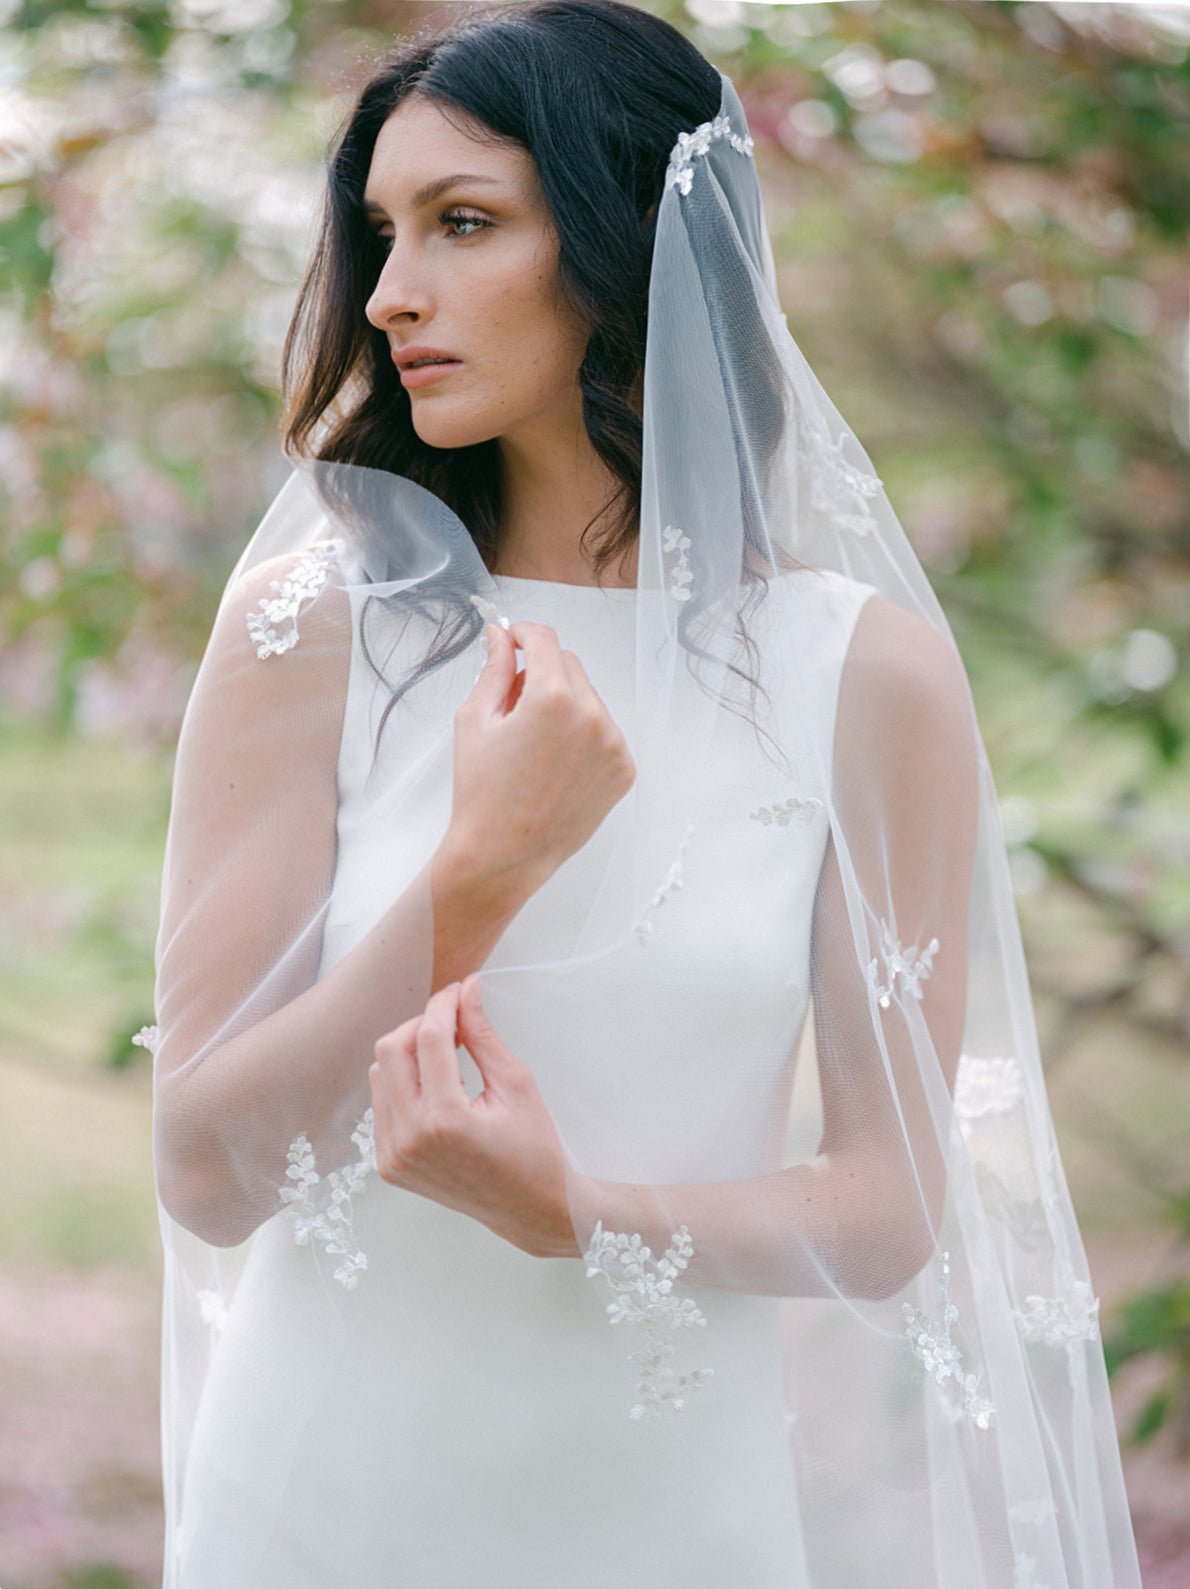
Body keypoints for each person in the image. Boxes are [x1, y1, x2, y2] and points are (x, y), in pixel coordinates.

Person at [146, 2, 1144, 1584]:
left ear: (624, 244)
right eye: (382, 233)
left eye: (463, 224)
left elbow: (887, 1205)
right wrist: (479, 872)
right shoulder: (310, 630)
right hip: (323, 1499)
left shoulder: (859, 676)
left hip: (672, 1512)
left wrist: (583, 1211)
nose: (392, 293)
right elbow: (204, 1174)